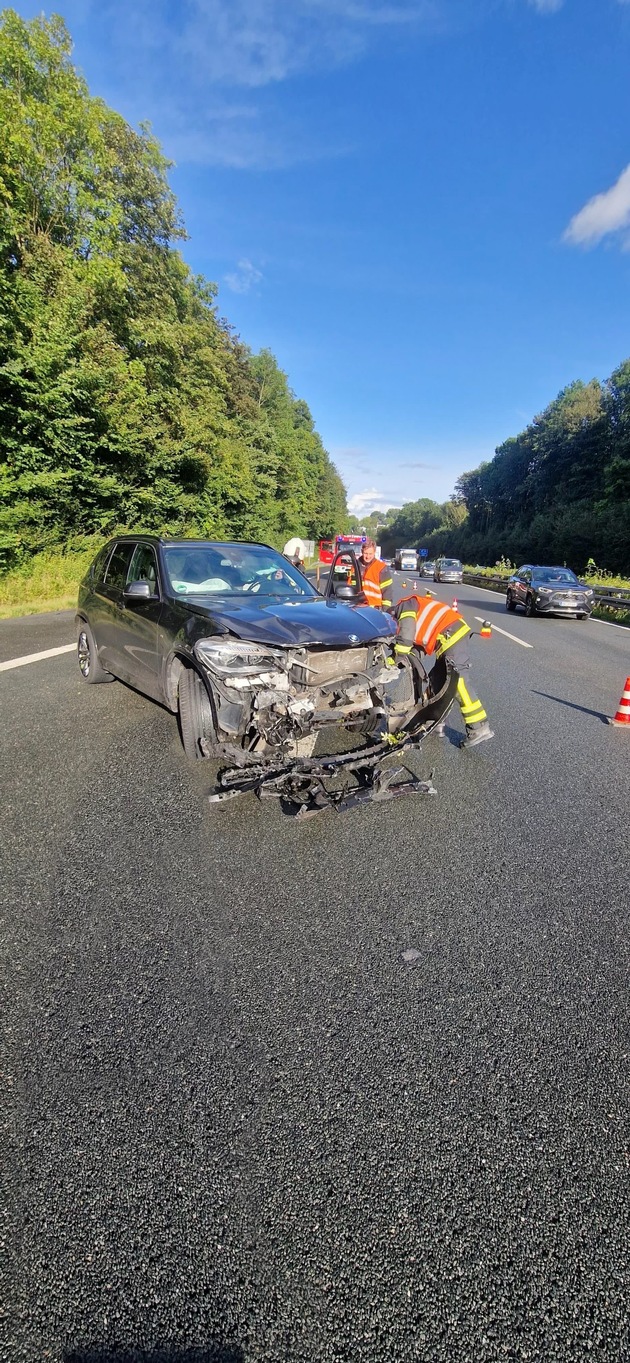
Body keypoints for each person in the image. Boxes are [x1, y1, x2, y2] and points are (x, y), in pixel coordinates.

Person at [390, 590, 494, 748]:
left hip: (452, 634)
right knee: (437, 681)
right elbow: (416, 646)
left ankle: (479, 728)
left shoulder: (404, 606)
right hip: (447, 637)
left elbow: (406, 635)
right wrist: (403, 659)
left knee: (458, 682)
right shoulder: (405, 611)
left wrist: (397, 657)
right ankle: (434, 722)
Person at [357, 538, 394, 611]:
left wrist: (385, 611)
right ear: (362, 552)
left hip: (375, 609)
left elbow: (387, 592)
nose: (367, 556)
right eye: (365, 553)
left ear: (374, 553)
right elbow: (350, 587)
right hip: (358, 608)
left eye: (370, 554)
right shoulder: (355, 566)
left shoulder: (381, 568)